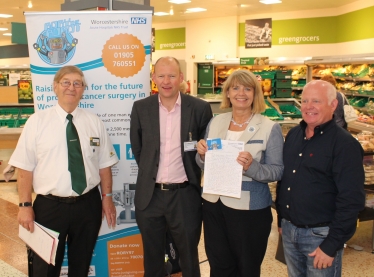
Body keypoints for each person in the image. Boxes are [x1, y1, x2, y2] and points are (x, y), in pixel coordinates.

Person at [10, 65, 119, 277]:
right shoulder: (37, 122)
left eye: (77, 83)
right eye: (66, 82)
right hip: (49, 208)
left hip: (88, 206)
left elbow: (104, 165)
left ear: (83, 89)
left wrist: (107, 198)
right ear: (55, 87)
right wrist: (24, 205)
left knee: (81, 265)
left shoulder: (94, 122)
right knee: (45, 269)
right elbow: (24, 169)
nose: (71, 87)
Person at [195, 69, 284, 277]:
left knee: (247, 268)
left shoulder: (269, 127)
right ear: (227, 93)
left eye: (247, 88)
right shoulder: (216, 122)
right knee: (219, 265)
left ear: (255, 94)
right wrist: (201, 155)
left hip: (249, 210)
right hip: (213, 205)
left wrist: (251, 166)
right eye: (235, 88)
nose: (240, 93)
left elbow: (277, 171)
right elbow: (204, 164)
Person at [130, 56, 213, 277]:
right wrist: (151, 174)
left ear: (181, 78)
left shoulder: (200, 108)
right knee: (153, 258)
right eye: (161, 75)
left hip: (185, 196)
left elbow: (205, 152)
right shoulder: (141, 108)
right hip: (150, 197)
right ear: (153, 78)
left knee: (189, 257)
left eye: (172, 75)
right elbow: (138, 150)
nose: (166, 81)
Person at [276, 80, 365, 277]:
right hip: (290, 231)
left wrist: (331, 245)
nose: (309, 107)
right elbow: (285, 180)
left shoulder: (344, 144)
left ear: (333, 105)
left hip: (321, 236)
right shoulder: (294, 135)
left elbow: (352, 199)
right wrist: (282, 221)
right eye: (305, 101)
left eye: (316, 101)